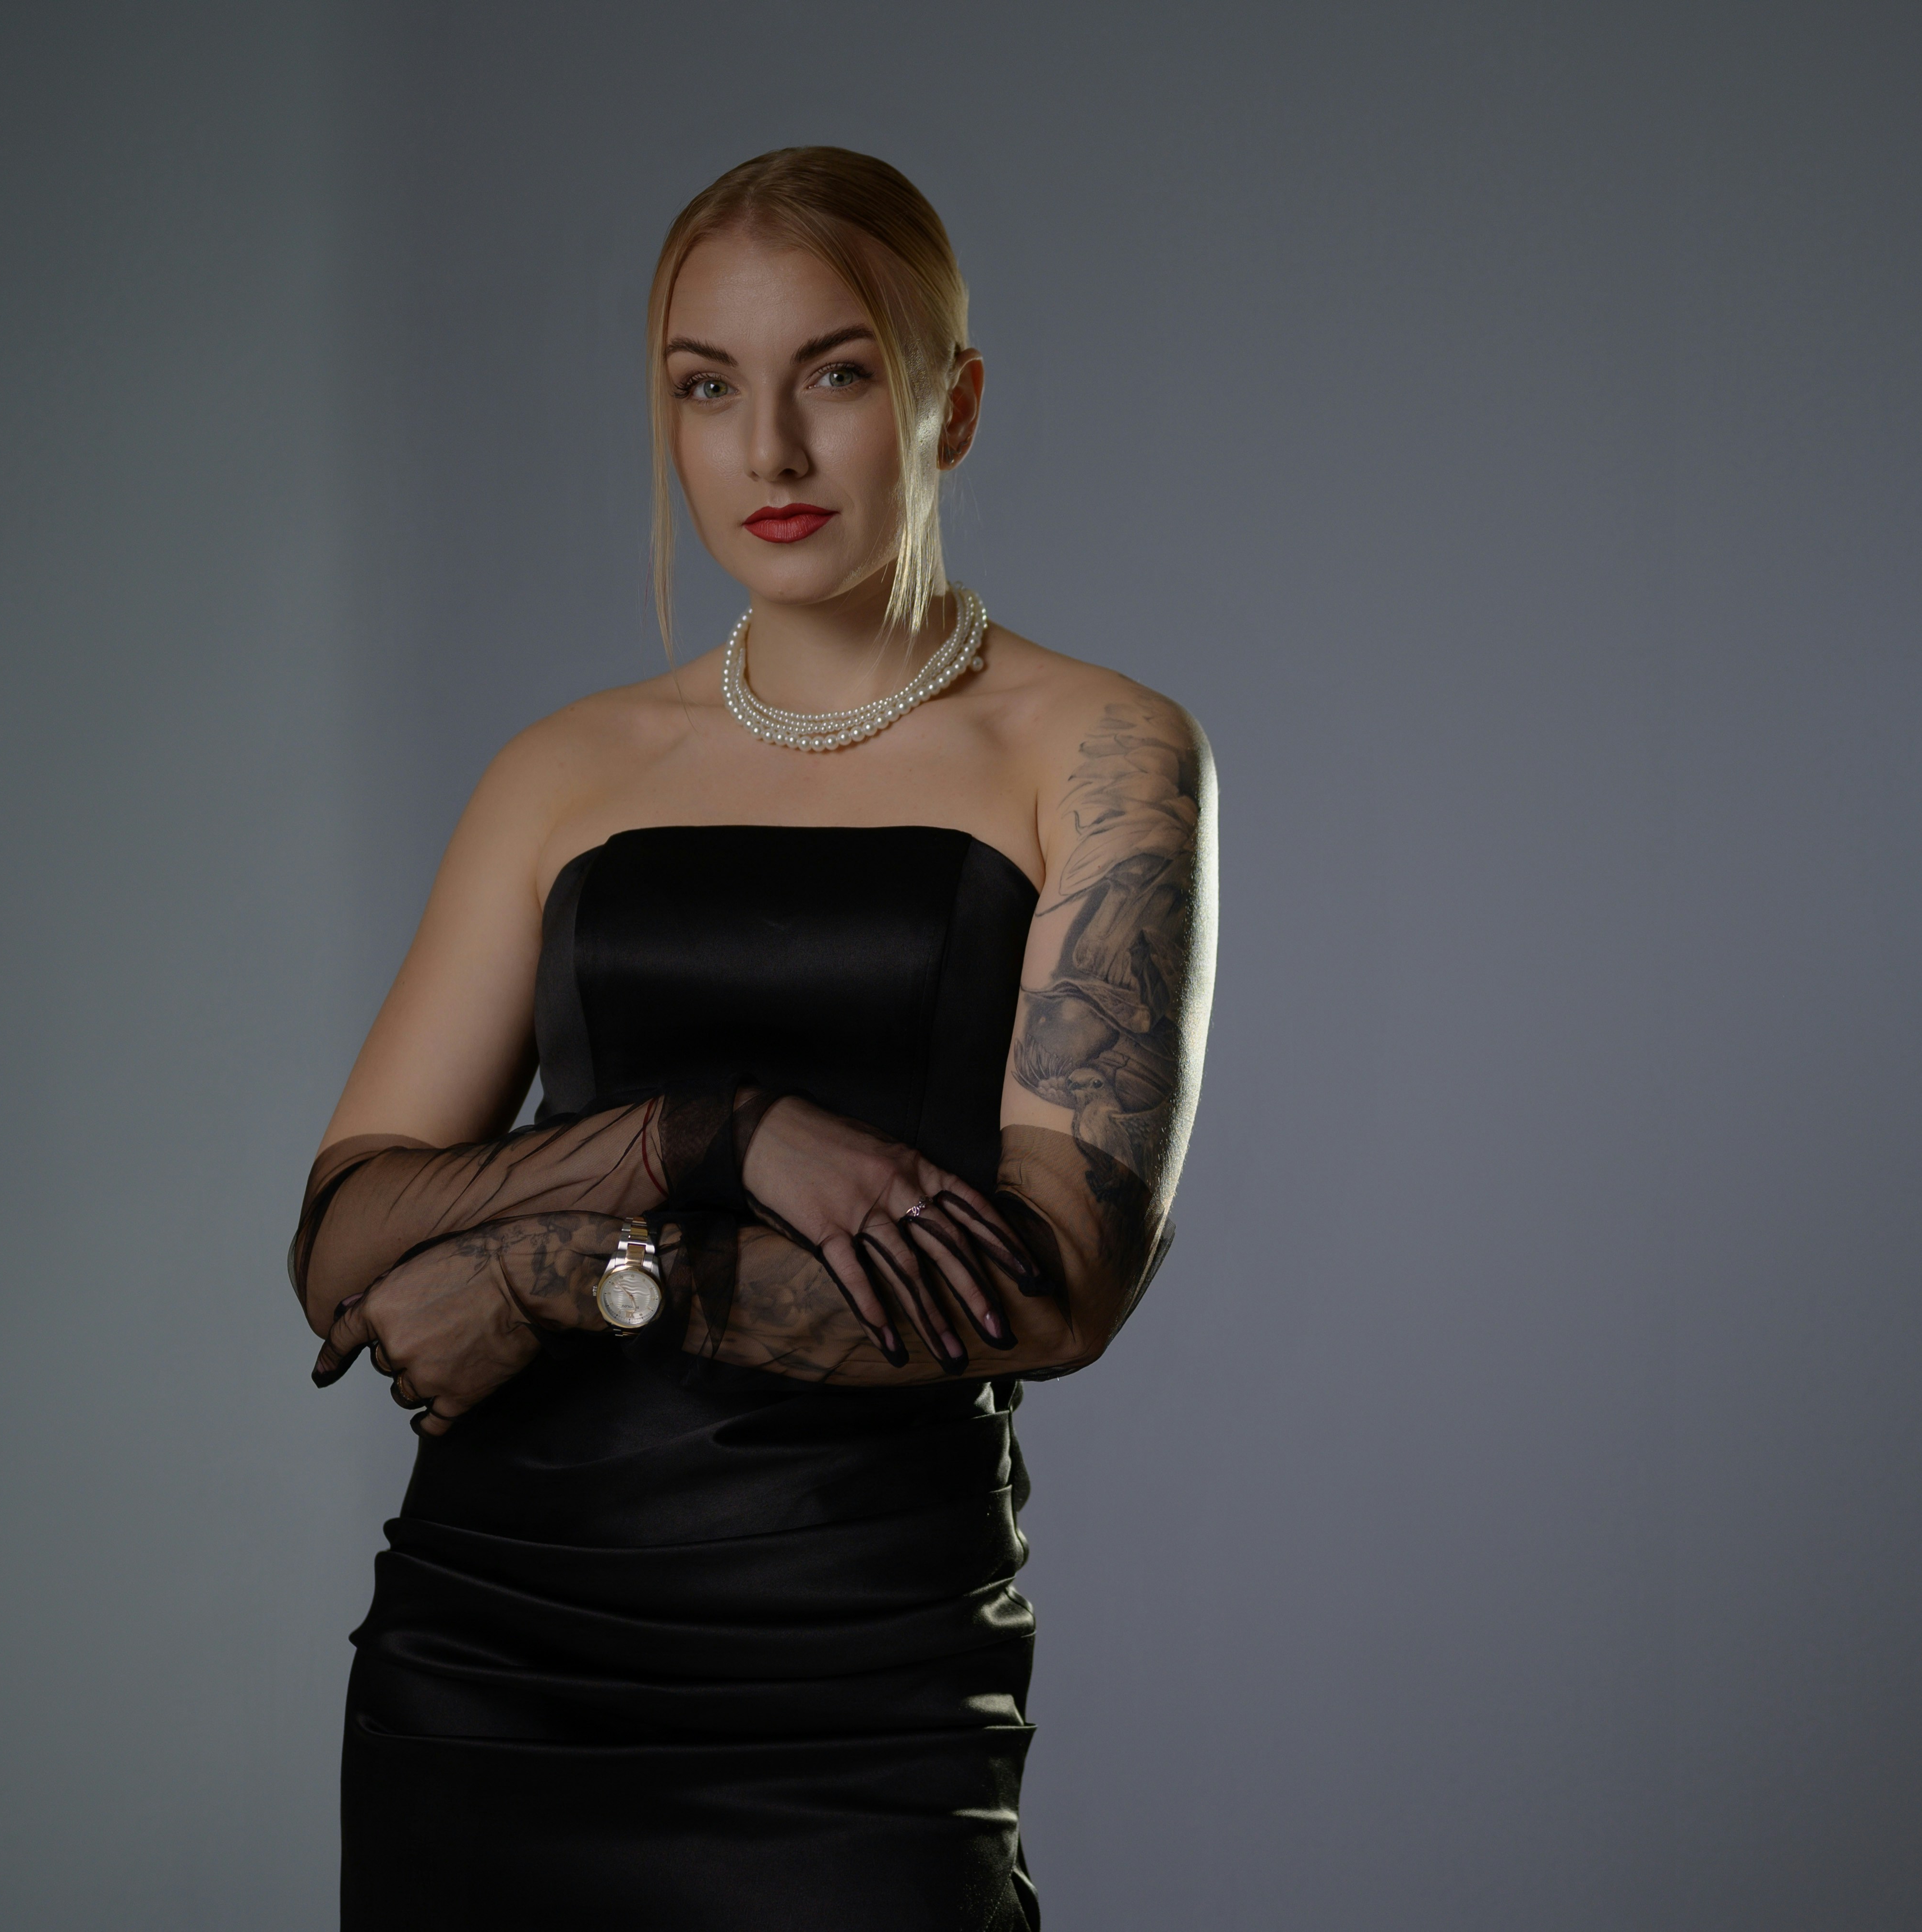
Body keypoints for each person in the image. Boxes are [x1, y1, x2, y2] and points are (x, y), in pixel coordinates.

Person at [288, 146, 1216, 1930]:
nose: (768, 452)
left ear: (953, 401)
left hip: (856, 1663)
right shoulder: (562, 773)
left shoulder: (1097, 751)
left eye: (837, 374)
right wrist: (704, 1131)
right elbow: (345, 1238)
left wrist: (562, 1274)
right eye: (707, 387)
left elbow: (1053, 1286)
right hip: (494, 1662)